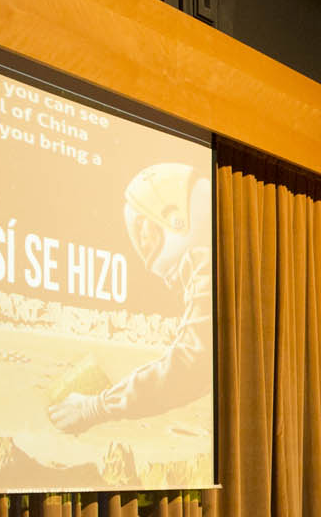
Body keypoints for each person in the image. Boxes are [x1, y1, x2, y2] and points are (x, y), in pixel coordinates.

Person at [49, 163, 213, 432]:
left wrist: (96, 407)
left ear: (175, 219)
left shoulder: (205, 263)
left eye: (145, 232)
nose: (145, 243)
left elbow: (190, 364)